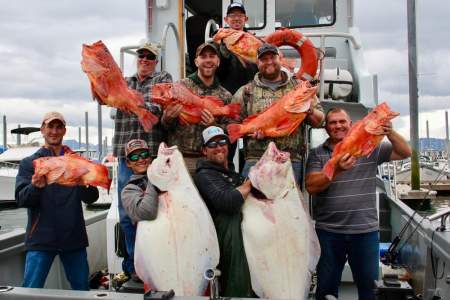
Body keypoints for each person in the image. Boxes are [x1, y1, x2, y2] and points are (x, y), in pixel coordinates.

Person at [305, 108, 412, 300]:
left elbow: (405, 152)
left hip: (365, 232)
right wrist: (336, 169)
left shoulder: (369, 148)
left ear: (351, 125)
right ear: (326, 128)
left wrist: (390, 132)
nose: (338, 126)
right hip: (329, 232)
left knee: (370, 290)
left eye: (342, 121)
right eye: (333, 123)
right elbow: (312, 186)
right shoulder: (317, 154)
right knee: (326, 289)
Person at [15, 112, 99, 290]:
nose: (54, 131)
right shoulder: (29, 163)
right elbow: (22, 200)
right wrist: (35, 187)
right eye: (50, 126)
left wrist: (84, 182)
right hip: (40, 240)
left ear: (64, 131)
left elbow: (92, 198)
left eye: (58, 127)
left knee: (82, 289)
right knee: (30, 291)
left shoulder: (77, 162)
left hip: (73, 239)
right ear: (42, 130)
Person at [112, 42, 172, 278]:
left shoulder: (163, 78)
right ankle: (133, 264)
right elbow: (104, 96)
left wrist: (130, 101)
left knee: (159, 211)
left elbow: (157, 110)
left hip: (152, 158)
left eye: (150, 57)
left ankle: (158, 261)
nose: (145, 59)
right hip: (126, 158)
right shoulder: (124, 82)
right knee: (127, 214)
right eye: (141, 56)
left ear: (156, 61)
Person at [232, 43, 324, 182]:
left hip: (290, 161)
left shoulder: (299, 87)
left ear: (280, 59)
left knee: (287, 202)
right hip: (256, 159)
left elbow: (320, 121)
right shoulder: (246, 91)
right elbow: (232, 126)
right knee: (254, 203)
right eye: (264, 59)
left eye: (272, 57)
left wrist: (310, 110)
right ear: (258, 63)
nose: (269, 62)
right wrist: (250, 131)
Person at [194, 126, 254, 297]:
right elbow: (226, 202)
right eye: (212, 144)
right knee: (237, 288)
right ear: (204, 151)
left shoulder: (233, 175)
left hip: (244, 239)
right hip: (223, 240)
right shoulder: (204, 175)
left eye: (222, 142)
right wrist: (252, 181)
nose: (219, 147)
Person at [162, 42, 232, 175]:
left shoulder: (225, 95)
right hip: (182, 160)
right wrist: (168, 118)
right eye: (203, 56)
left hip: (212, 162)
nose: (208, 60)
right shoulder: (179, 87)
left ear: (218, 61)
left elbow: (230, 134)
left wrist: (214, 125)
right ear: (196, 62)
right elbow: (164, 126)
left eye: (212, 56)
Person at [120, 139, 159, 282]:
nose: (141, 159)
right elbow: (147, 212)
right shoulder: (128, 191)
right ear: (128, 163)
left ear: (150, 157)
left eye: (144, 154)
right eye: (135, 157)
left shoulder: (164, 179)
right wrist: (155, 178)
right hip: (150, 253)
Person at [215, 2, 258, 95]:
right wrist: (224, 55)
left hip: (252, 93)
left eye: (240, 15)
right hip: (228, 94)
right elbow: (217, 73)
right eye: (232, 15)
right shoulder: (218, 42)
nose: (236, 18)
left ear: (245, 19)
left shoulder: (255, 40)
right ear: (226, 19)